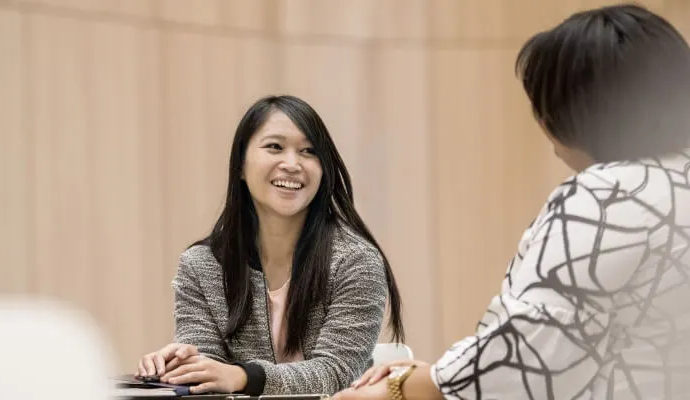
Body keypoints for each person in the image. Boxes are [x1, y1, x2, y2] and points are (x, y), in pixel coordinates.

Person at [334, 4, 690, 400]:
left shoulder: (605, 196)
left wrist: (404, 388)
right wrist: (441, 372)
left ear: (573, 110)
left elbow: (532, 354)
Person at [135, 95, 405, 395]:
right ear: (240, 164)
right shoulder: (202, 264)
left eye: (308, 152)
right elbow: (211, 371)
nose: (291, 164)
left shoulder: (356, 261)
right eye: (274, 147)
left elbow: (337, 373)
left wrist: (243, 376)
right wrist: (185, 366)